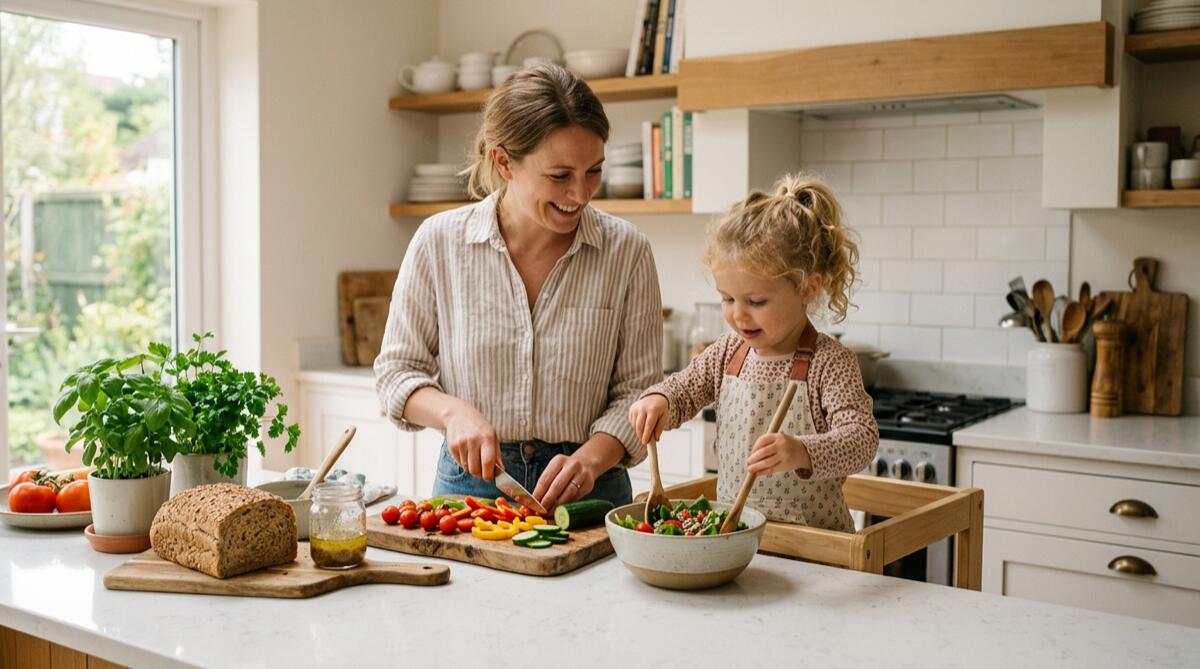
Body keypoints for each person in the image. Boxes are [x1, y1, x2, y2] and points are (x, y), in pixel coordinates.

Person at [375, 64, 662, 509]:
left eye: (593, 171)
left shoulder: (627, 251)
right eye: (560, 175)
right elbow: (396, 374)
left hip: (591, 489)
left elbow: (639, 392)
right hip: (471, 489)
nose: (582, 194)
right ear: (504, 161)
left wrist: (589, 460)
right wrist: (453, 413)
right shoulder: (439, 243)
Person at [628, 174, 878, 530]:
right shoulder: (728, 352)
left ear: (808, 287)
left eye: (756, 301)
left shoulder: (829, 363)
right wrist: (660, 400)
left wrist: (802, 451)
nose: (738, 314)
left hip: (815, 549)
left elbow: (861, 440)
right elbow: (684, 388)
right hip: (736, 540)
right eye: (727, 298)